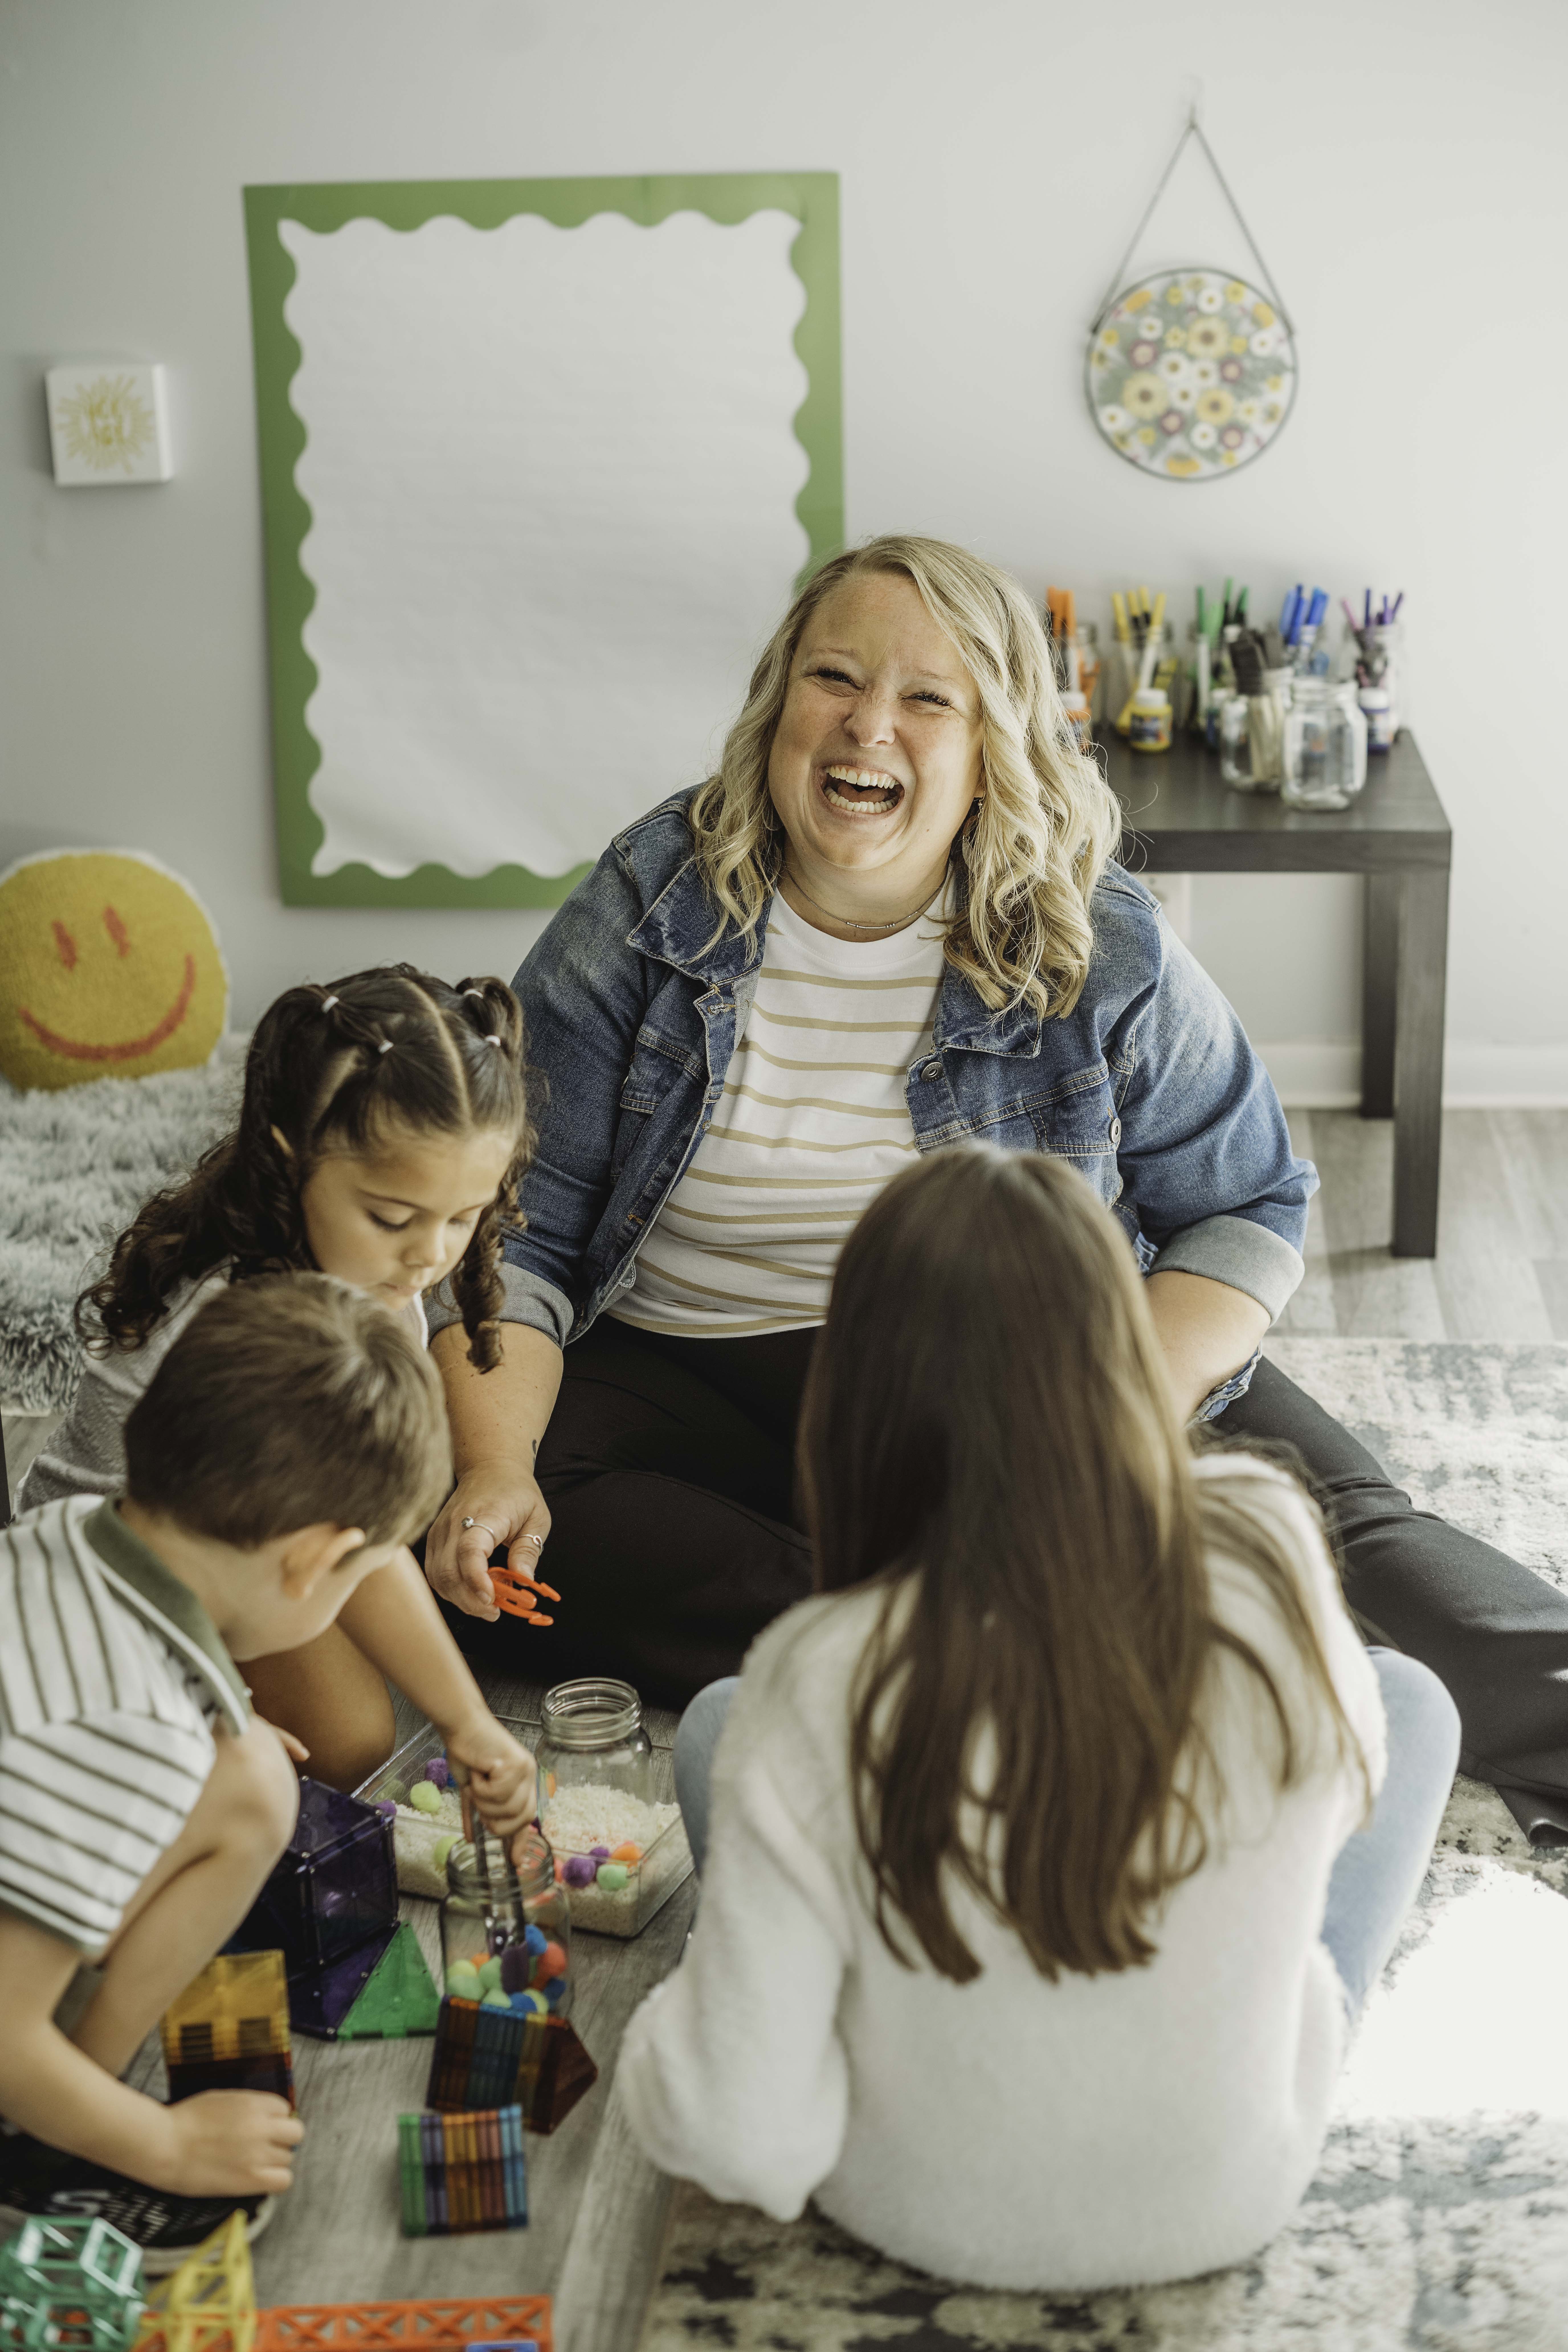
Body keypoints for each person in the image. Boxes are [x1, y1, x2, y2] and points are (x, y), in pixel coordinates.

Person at [421, 533, 1568, 1840]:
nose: (867, 726)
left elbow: (1244, 1209)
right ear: (775, 702)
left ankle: (973, 1620)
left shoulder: (1097, 929)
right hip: (695, 1371)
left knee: (1339, 1546)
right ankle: (1002, 1643)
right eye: (832, 678)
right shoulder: (650, 892)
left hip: (1031, 1371)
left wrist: (1101, 1422)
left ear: (990, 745)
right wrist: (495, 1464)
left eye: (927, 698)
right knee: (478, 1533)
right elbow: (518, 1227)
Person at [616, 1149, 1461, 2290]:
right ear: (1122, 1351)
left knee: (723, 1723)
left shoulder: (821, 1669)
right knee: (1407, 1700)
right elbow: (1339, 1787)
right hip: (1222, 2197)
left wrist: (670, 2031)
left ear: (854, 1391)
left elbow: (736, 2141)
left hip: (913, 2209)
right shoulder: (1260, 1541)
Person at [0, 1273, 532, 2267]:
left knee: (251, 1773)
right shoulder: (131, 1735)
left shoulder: (69, 1532)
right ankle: (47, 2146)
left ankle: (73, 2096)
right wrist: (169, 2142)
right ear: (314, 1562)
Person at [23, 964, 547, 1794]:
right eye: (392, 1217)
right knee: (348, 1748)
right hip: (109, 1591)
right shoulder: (241, 1324)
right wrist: (200, 1699)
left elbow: (361, 1531)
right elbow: (333, 1553)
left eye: (462, 1217)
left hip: (256, 1540)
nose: (430, 1255)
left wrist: (467, 1720)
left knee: (368, 1737)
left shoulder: (380, 1281)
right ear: (291, 1158)